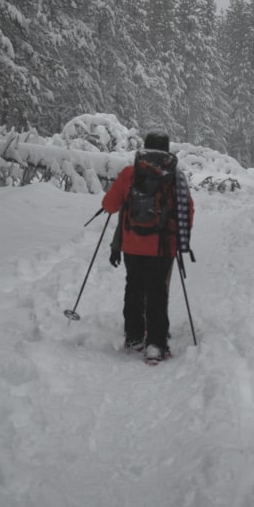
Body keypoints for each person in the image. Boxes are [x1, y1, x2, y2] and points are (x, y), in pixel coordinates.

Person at [102, 132, 194, 363]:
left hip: (132, 245)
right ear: (167, 148)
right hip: (162, 247)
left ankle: (134, 338)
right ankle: (155, 344)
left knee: (133, 288)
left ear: (145, 147)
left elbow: (110, 205)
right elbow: (187, 212)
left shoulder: (130, 173)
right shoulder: (174, 176)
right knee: (157, 293)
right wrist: (179, 240)